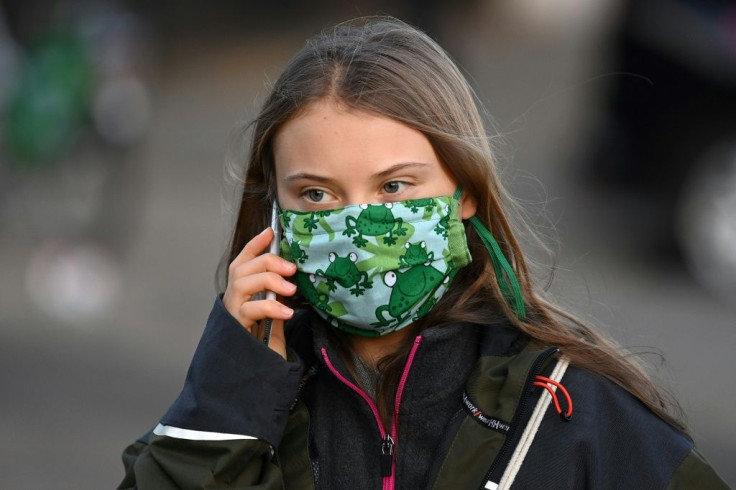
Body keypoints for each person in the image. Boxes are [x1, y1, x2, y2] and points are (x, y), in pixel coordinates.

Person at [118, 17, 728, 489]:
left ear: (464, 192)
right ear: (274, 210)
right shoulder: (245, 398)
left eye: (393, 187)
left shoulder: (571, 406)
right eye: (316, 194)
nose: (358, 223)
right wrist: (231, 387)